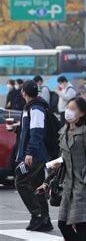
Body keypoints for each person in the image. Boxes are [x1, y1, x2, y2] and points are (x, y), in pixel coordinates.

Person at [55, 97, 86, 240]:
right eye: (68, 108)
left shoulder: (85, 132)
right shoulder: (63, 131)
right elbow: (63, 157)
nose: (68, 111)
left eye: (73, 109)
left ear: (81, 113)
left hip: (83, 188)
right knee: (63, 224)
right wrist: (56, 165)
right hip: (68, 187)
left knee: (82, 229)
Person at [15, 80, 53, 232]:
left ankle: (38, 215)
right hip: (34, 154)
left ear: (23, 92)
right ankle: (45, 220)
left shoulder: (36, 107)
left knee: (21, 181)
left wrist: (30, 152)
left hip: (35, 155)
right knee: (36, 186)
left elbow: (37, 132)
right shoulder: (30, 107)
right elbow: (31, 129)